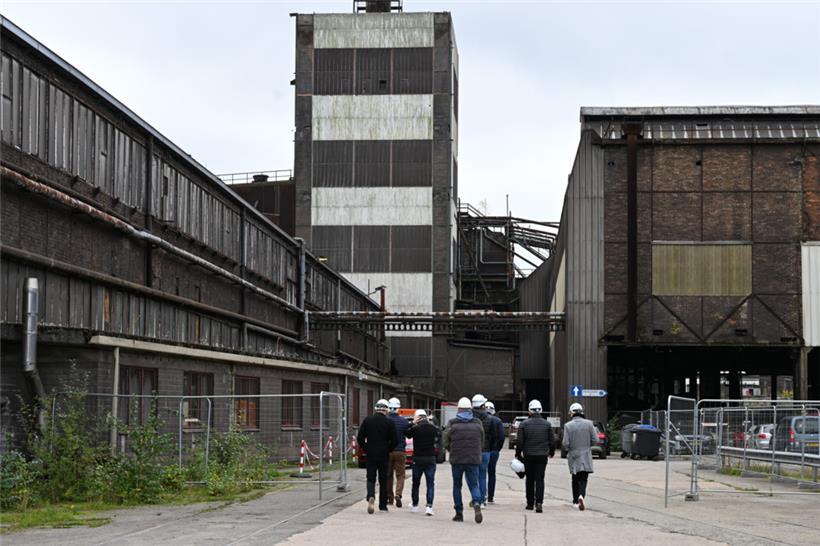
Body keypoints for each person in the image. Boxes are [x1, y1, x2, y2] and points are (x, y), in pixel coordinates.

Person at [443, 397, 484, 524]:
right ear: (470, 409)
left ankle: (459, 513)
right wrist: (477, 451)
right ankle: (476, 502)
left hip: (457, 459)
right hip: (473, 458)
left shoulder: (452, 423)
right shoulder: (477, 423)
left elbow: (445, 440)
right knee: (474, 484)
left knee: (457, 485)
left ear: (459, 409)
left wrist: (451, 450)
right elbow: (481, 440)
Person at [357, 398, 397, 514]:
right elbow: (395, 440)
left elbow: (360, 438)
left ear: (375, 409)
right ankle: (383, 506)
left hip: (371, 454)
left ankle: (371, 495)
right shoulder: (389, 423)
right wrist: (388, 449)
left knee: (371, 477)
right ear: (386, 410)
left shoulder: (367, 420)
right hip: (384, 454)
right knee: (383, 479)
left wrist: (367, 448)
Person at [515, 399, 555, 513]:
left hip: (528, 455)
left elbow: (520, 441)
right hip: (542, 456)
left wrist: (518, 453)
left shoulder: (524, 424)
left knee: (530, 479)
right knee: (540, 479)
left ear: (529, 411)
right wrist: (551, 452)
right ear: (541, 410)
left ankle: (530, 503)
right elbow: (552, 441)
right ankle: (539, 503)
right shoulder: (547, 424)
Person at [562, 402, 597, 511]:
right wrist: (587, 445)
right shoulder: (589, 424)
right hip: (586, 454)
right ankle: (581, 495)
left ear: (571, 413)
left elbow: (565, 443)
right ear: (581, 411)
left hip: (573, 455)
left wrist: (570, 448)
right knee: (584, 477)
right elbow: (595, 440)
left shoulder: (568, 425)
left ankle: (575, 500)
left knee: (575, 478)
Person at [405, 409, 440, 516]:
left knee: (416, 483)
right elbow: (438, 436)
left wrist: (412, 423)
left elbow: (406, 433)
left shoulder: (416, 428)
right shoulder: (432, 428)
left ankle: (415, 504)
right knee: (430, 483)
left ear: (417, 417)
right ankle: (429, 506)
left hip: (418, 459)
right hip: (430, 458)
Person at [471, 393, 496, 506]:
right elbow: (494, 436)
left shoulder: (470, 418)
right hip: (485, 451)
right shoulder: (490, 419)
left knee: (473, 476)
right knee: (482, 475)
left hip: (473, 450)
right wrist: (490, 447)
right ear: (482, 405)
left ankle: (476, 498)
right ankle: (482, 499)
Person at [386, 397, 409, 507]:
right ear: (398, 408)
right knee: (400, 475)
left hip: (388, 452)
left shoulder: (385, 420)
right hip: (400, 451)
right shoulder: (404, 421)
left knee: (388, 475)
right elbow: (408, 434)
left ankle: (389, 498)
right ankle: (398, 494)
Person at [484, 401, 505, 504]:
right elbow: (501, 437)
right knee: (492, 473)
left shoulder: (480, 419)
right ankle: (490, 497)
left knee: (481, 473)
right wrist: (497, 449)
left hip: (483, 449)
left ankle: (482, 494)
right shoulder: (498, 421)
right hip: (494, 451)